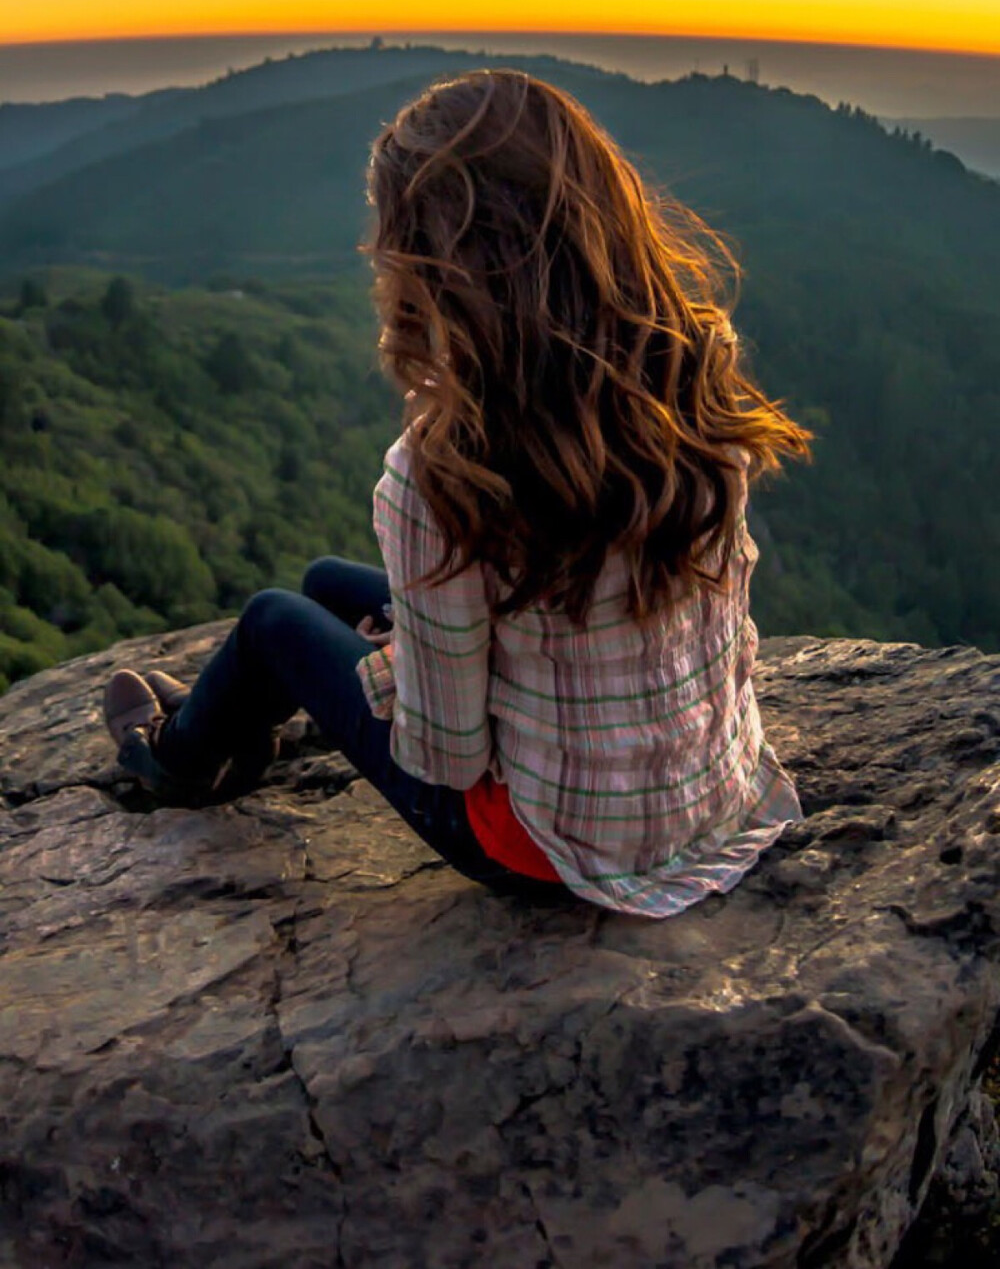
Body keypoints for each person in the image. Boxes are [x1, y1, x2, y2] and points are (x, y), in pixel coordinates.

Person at [104, 68, 813, 916]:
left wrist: (400, 670)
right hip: (713, 798)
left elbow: (445, 756)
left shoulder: (440, 473)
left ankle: (177, 758)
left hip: (547, 844)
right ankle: (236, 716)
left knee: (273, 621)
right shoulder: (691, 375)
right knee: (331, 580)